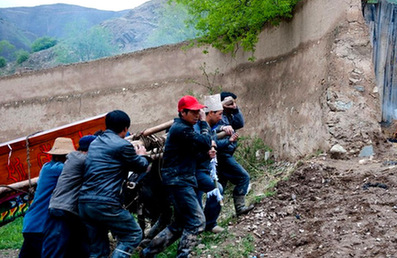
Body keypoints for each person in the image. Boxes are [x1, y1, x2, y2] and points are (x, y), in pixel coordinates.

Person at [140, 95, 212, 258]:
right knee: (197, 222)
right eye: (193, 112)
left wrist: (207, 155)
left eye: (198, 112)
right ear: (182, 112)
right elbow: (205, 141)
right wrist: (203, 123)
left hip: (182, 180)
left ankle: (148, 253)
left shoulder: (184, 129)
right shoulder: (181, 129)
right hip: (179, 181)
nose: (197, 115)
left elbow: (194, 154)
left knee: (179, 225)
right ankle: (183, 255)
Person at [78, 110, 151, 258]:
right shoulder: (123, 145)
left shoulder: (95, 143)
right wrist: (142, 156)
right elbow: (140, 166)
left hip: (85, 203)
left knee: (98, 249)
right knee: (133, 234)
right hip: (105, 203)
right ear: (125, 128)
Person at [41, 135, 97, 258]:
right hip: (63, 211)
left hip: (68, 212)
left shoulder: (47, 166)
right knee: (55, 252)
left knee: (77, 251)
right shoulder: (80, 161)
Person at [19, 137, 76, 258]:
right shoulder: (60, 169)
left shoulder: (46, 167)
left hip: (31, 223)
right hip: (42, 226)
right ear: (66, 156)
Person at [216, 92, 254, 216]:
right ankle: (240, 207)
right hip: (222, 155)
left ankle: (210, 221)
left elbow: (240, 123)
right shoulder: (218, 116)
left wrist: (235, 110)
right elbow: (214, 135)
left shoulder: (229, 115)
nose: (233, 105)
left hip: (225, 154)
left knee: (219, 188)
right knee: (243, 177)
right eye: (230, 103)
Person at [194, 94, 226, 234]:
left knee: (200, 198)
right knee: (215, 189)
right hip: (194, 170)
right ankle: (204, 225)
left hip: (205, 169)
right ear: (211, 113)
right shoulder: (197, 128)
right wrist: (206, 152)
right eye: (219, 114)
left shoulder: (212, 127)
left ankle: (207, 224)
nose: (221, 118)